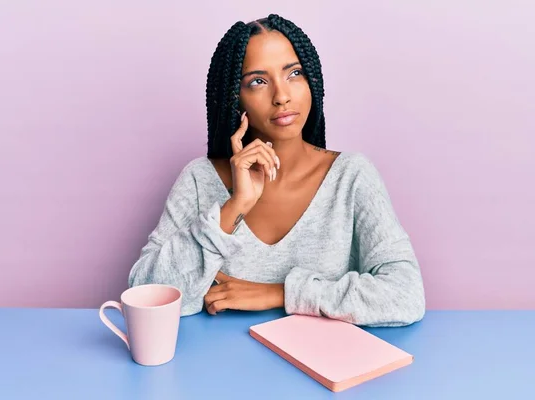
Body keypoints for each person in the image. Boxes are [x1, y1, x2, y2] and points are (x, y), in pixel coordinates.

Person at [128, 14, 426, 327]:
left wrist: (281, 293)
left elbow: (405, 296)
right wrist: (234, 208)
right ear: (234, 97)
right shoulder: (200, 179)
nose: (282, 96)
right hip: (220, 367)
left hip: (321, 367)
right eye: (258, 81)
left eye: (293, 73)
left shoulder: (351, 176)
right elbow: (146, 294)